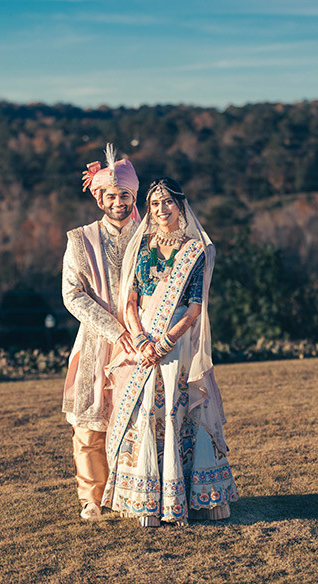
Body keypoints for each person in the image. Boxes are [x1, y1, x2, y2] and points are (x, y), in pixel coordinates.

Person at [102, 177, 239, 527]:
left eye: (167, 202)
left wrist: (166, 342)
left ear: (180, 204)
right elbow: (130, 300)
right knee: (146, 409)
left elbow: (195, 307)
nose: (161, 210)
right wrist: (142, 340)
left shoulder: (195, 249)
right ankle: (149, 500)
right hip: (144, 337)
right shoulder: (143, 246)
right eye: (154, 203)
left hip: (179, 341)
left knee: (179, 412)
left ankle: (188, 499)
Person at [62, 144, 140, 520]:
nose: (119, 201)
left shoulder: (151, 236)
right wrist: (112, 328)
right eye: (111, 195)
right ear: (100, 199)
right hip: (96, 340)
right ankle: (92, 498)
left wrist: (140, 331)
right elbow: (72, 294)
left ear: (133, 196)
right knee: (90, 422)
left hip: (143, 342)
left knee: (140, 419)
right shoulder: (80, 239)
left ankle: (132, 492)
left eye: (125, 194)